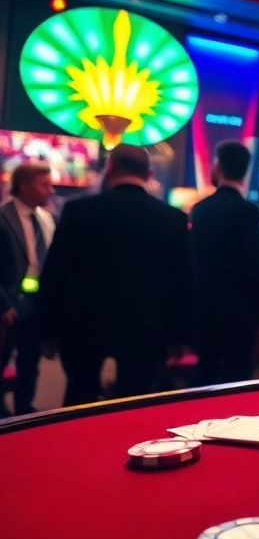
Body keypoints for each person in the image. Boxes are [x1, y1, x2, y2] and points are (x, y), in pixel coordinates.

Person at [38, 145, 191, 405]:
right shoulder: (173, 218)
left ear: (110, 168)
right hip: (147, 328)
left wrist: (48, 330)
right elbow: (183, 282)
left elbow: (54, 273)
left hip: (84, 325)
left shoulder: (78, 211)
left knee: (79, 401)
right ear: (149, 174)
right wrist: (180, 337)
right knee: (134, 406)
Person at [189, 141, 259, 385]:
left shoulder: (200, 210)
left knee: (204, 373)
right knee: (237, 377)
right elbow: (255, 264)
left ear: (218, 166)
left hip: (203, 307)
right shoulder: (249, 212)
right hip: (240, 312)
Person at [0, 163, 56, 415]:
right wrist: (3, 304)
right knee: (3, 358)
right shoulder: (3, 216)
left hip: (38, 301)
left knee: (30, 360)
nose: (51, 190)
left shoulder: (48, 218)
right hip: (9, 302)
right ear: (24, 186)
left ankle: (24, 410)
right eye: (44, 185)